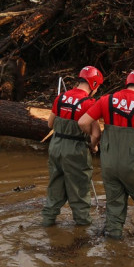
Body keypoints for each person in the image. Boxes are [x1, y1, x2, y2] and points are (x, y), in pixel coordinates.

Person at [78, 70, 134, 239]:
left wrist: (93, 142)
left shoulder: (107, 100)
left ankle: (113, 243)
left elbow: (83, 121)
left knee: (114, 206)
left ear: (127, 83)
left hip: (109, 164)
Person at [42, 66, 104, 227]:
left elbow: (50, 124)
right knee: (79, 190)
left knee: (55, 187)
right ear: (94, 85)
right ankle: (82, 232)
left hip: (56, 147)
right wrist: (93, 146)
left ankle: (47, 222)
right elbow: (96, 134)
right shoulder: (90, 103)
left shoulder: (61, 97)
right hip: (76, 149)